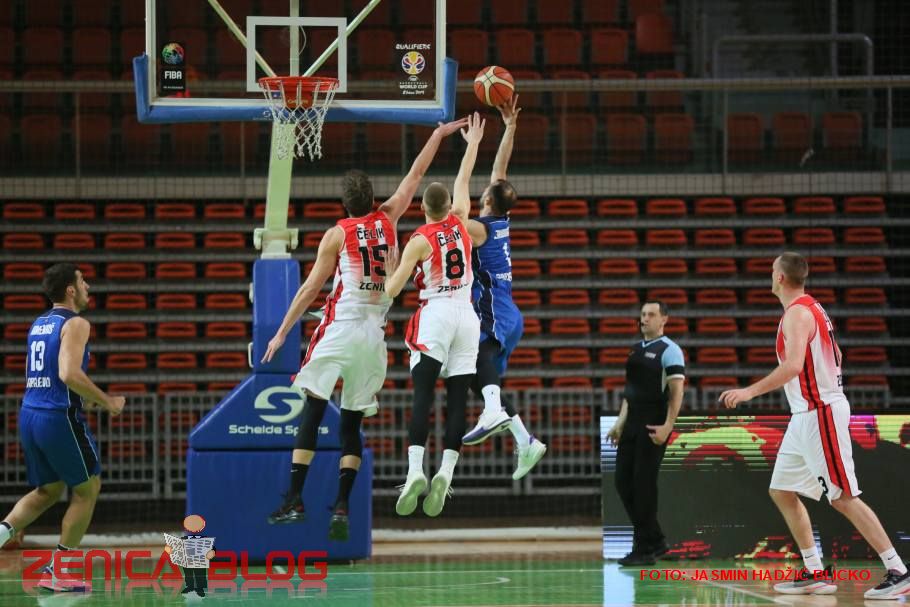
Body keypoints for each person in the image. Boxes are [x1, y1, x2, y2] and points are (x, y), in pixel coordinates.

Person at [261, 118, 466, 540]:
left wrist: (281, 332)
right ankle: (341, 506)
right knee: (351, 425)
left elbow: (309, 289)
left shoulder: (336, 235)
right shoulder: (389, 217)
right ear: (373, 199)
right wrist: (437, 135)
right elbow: (416, 175)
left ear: (345, 205)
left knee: (313, 410)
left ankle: (294, 499)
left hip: (340, 327)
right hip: (374, 338)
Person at [720, 252, 909, 599]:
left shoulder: (796, 314)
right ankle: (814, 571)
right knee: (781, 490)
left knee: (843, 497)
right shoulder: (815, 309)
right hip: (805, 415)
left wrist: (749, 392)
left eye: (772, 270)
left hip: (820, 412)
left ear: (780, 277)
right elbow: (837, 356)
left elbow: (793, 365)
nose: (770, 275)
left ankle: (898, 569)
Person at [0, 263, 126, 592]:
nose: (88, 287)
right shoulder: (77, 323)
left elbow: (51, 377)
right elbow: (68, 374)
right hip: (57, 418)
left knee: (49, 491)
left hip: (30, 413)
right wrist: (108, 401)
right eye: (83, 281)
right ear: (70, 289)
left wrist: (87, 398)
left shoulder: (39, 323)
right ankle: (59, 571)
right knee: (88, 489)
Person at [385, 112, 486, 518]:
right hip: (468, 317)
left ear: (424, 208)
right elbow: (464, 179)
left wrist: (392, 268)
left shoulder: (419, 240)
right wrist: (473, 144)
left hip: (437, 315)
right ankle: (446, 472)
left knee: (423, 396)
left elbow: (392, 290)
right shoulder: (462, 222)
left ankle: (415, 472)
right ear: (448, 207)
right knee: (458, 399)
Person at [457, 95, 546, 481]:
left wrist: (470, 151)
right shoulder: (500, 219)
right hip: (505, 311)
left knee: (479, 359)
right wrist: (510, 127)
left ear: (488, 200)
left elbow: (455, 215)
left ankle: (494, 412)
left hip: (496, 309)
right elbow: (501, 170)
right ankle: (525, 440)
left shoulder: (479, 229)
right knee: (477, 375)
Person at [606, 300, 684, 567]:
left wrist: (668, 426)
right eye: (642, 314)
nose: (645, 319)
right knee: (622, 482)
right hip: (632, 422)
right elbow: (630, 392)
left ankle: (643, 549)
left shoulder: (670, 350)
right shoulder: (635, 349)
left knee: (643, 485)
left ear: (664, 319)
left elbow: (677, 392)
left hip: (654, 422)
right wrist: (620, 423)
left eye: (651, 314)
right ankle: (656, 540)